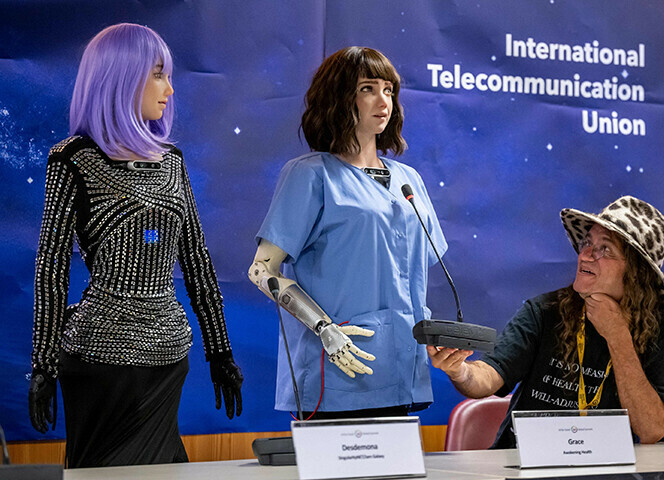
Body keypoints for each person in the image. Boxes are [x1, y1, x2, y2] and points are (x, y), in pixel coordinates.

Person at [28, 23, 243, 468]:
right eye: (158, 74)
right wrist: (44, 365)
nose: (169, 88)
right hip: (101, 358)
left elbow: (197, 261)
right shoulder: (73, 159)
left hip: (168, 355)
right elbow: (51, 269)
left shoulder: (172, 162)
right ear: (121, 77)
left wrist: (219, 350)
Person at [248, 46, 446, 419]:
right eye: (368, 88)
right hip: (337, 369)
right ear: (340, 97)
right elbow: (262, 271)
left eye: (389, 90)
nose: (383, 100)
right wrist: (324, 329)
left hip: (403, 367)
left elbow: (407, 275)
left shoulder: (409, 181)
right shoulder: (311, 175)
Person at [429, 196, 664, 446]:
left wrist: (617, 335)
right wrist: (459, 371)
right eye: (587, 242)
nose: (586, 254)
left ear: (636, 273)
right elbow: (489, 377)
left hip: (608, 470)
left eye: (605, 249)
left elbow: (651, 430)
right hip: (526, 466)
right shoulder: (545, 310)